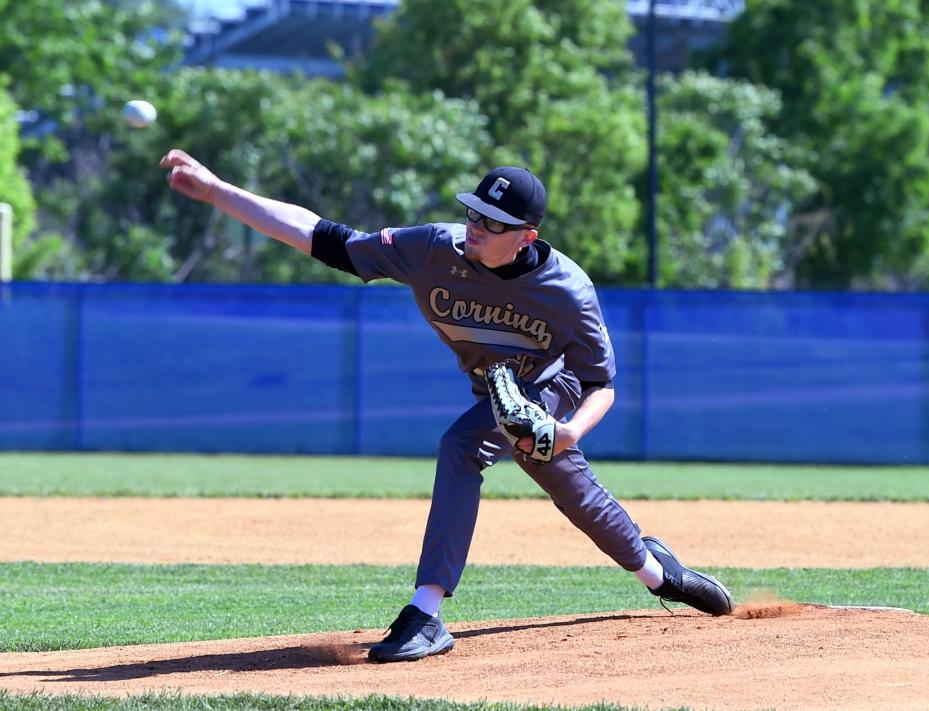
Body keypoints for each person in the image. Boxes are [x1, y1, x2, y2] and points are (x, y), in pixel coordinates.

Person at [159, 149, 734, 663]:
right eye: (474, 212)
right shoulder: (433, 250)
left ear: (526, 237)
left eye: (494, 223)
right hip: (499, 390)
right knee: (538, 466)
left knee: (476, 447)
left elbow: (601, 382)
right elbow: (323, 237)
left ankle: (427, 612)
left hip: (553, 386)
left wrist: (567, 431)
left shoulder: (567, 291)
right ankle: (659, 573)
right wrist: (216, 192)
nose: (476, 227)